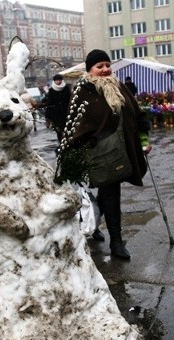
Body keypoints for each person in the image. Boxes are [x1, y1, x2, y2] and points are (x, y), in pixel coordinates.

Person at [56, 49, 151, 260]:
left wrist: (143, 133)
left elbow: (135, 112)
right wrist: (72, 148)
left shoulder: (118, 86)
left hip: (121, 149)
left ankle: (100, 227)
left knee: (110, 190)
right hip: (98, 153)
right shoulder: (84, 91)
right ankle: (116, 241)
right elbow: (75, 123)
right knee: (111, 192)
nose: (106, 69)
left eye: (108, 65)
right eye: (100, 66)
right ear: (90, 69)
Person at [40, 74, 72, 142]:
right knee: (59, 131)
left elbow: (70, 99)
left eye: (60, 80)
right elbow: (49, 103)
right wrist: (47, 118)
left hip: (66, 112)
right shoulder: (51, 90)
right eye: (57, 80)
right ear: (54, 81)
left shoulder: (66, 88)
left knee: (68, 129)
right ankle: (61, 143)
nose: (58, 81)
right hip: (56, 114)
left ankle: (68, 143)